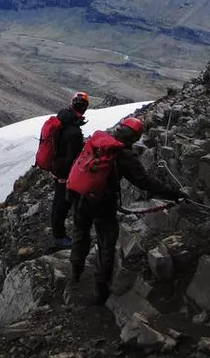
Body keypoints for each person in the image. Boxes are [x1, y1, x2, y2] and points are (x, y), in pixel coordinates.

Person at [69, 116, 186, 305]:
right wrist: (173, 194)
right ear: (135, 137)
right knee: (106, 243)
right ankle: (100, 289)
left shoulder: (100, 142)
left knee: (80, 232)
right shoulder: (122, 154)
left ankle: (75, 271)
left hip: (82, 197)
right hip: (103, 204)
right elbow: (144, 181)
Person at [50, 91, 90, 248]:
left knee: (60, 202)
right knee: (62, 203)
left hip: (58, 167)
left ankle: (60, 233)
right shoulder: (73, 130)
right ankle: (59, 237)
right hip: (64, 173)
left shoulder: (63, 118)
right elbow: (71, 156)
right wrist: (65, 176)